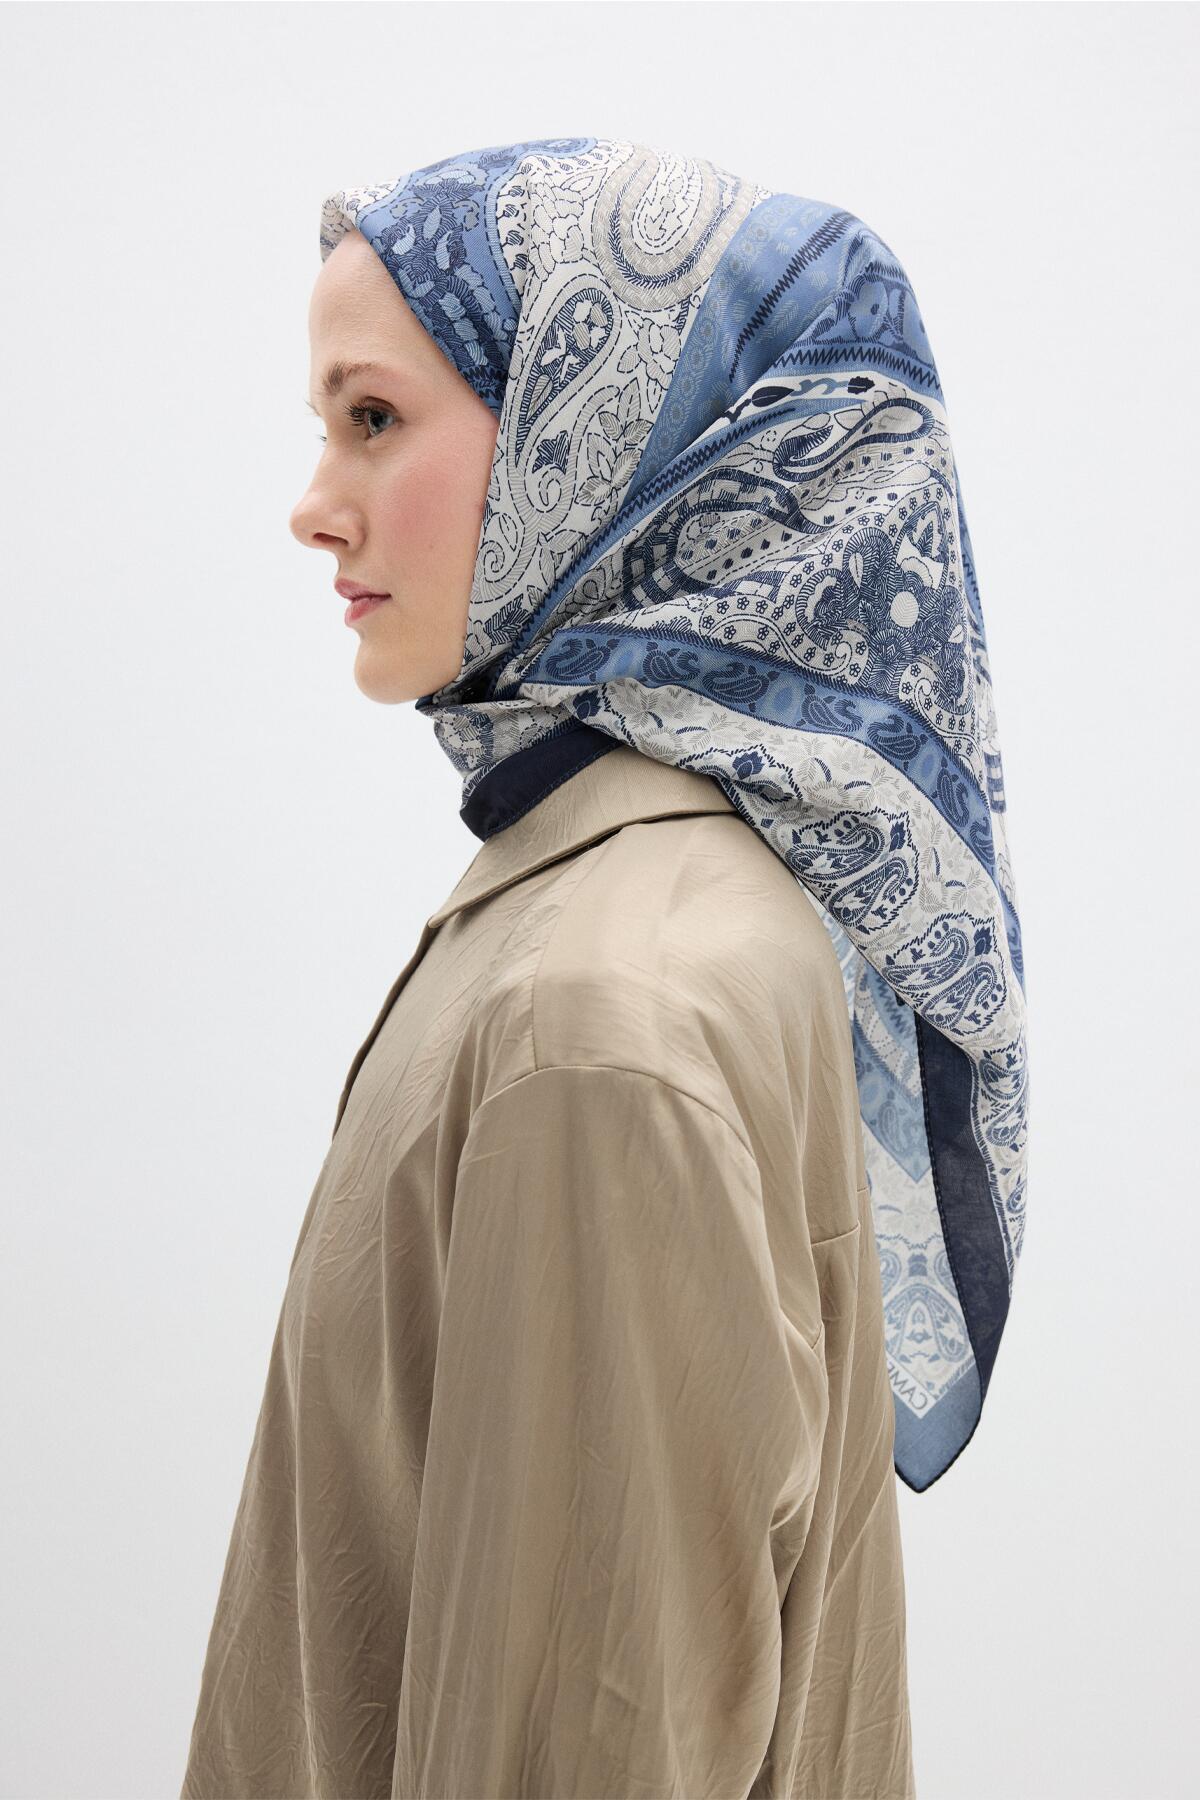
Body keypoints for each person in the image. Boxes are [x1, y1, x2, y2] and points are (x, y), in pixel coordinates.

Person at [182, 135, 1027, 1800]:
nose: (315, 503)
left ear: (604, 439)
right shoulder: (650, 910)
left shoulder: (600, 1012)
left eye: (374, 418)